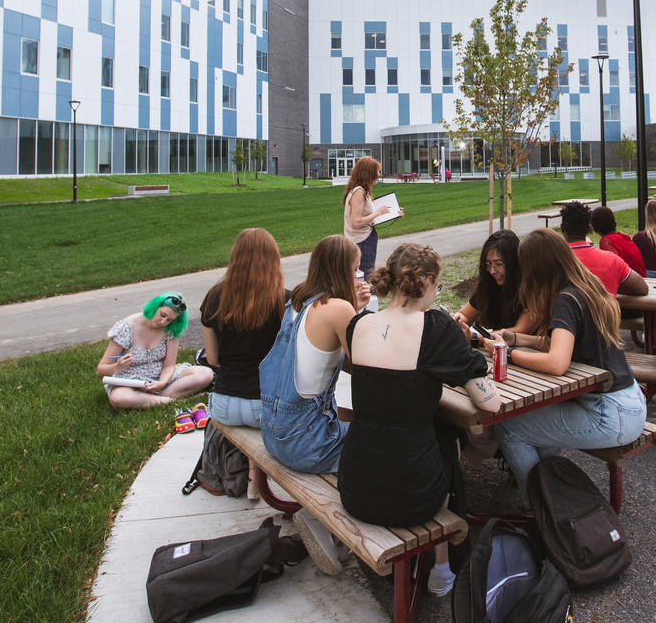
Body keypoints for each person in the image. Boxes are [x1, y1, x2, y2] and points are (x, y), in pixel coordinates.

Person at [338, 244, 501, 595]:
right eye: (437, 286)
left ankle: (440, 567)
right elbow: (491, 403)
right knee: (446, 440)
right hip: (410, 494)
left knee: (424, 436)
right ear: (426, 281)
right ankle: (443, 570)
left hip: (354, 484)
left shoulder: (359, 323)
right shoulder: (435, 326)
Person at [484, 229, 647, 494]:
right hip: (629, 402)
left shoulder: (565, 300)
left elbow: (556, 363)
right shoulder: (587, 287)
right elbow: (559, 345)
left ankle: (540, 504)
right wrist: (516, 338)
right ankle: (557, 496)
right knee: (534, 421)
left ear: (538, 268)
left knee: (509, 426)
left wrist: (507, 353)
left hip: (610, 414)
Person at [260, 235, 371, 476]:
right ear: (342, 271)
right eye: (355, 269)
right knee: (386, 444)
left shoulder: (298, 299)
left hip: (273, 432)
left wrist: (354, 307)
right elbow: (365, 362)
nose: (358, 275)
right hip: (309, 443)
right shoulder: (339, 308)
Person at [201, 227, 289, 497]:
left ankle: (250, 477)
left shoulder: (214, 297)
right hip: (265, 406)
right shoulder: (283, 300)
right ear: (273, 258)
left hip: (224, 404)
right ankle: (255, 479)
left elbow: (212, 358)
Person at [97, 292, 214, 409]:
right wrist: (118, 367)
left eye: (169, 320)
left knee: (206, 374)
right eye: (162, 315)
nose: (163, 322)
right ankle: (174, 400)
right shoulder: (126, 327)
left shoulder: (171, 328)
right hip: (130, 381)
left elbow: (169, 365)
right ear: (154, 307)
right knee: (118, 398)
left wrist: (162, 382)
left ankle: (151, 399)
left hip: (161, 377)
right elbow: (101, 369)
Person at [454, 230, 540, 337]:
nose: (492, 271)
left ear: (514, 262)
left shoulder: (532, 288)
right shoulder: (489, 284)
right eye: (488, 264)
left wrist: (478, 337)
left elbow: (521, 330)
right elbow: (465, 314)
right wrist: (457, 321)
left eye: (498, 264)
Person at [558, 203, 648, 296]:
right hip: (604, 309)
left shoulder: (553, 259)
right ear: (589, 228)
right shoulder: (611, 259)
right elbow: (642, 288)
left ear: (562, 228)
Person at [343, 156, 402, 274]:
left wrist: (394, 212)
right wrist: (378, 212)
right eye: (377, 171)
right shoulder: (359, 192)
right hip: (362, 242)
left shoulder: (360, 190)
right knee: (364, 276)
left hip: (364, 239)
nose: (379, 174)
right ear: (368, 172)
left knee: (363, 276)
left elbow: (367, 215)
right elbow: (356, 222)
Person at [591, 206, 645, 276]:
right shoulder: (623, 237)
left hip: (630, 281)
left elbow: (614, 267)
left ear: (595, 228)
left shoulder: (606, 241)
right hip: (640, 277)